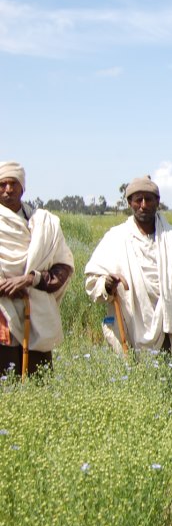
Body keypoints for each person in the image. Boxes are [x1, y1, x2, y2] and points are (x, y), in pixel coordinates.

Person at [84, 176, 172, 353]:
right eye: (138, 200)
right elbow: (92, 282)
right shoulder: (115, 238)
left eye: (148, 199)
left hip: (168, 331)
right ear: (129, 203)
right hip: (129, 328)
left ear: (157, 201)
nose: (143, 205)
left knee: (171, 376)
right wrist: (107, 284)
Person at [0, 161, 74, 376]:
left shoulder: (44, 224)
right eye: (2, 184)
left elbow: (63, 267)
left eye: (13, 184)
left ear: (23, 187)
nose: (8, 190)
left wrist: (32, 278)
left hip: (37, 318)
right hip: (2, 318)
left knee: (38, 381)